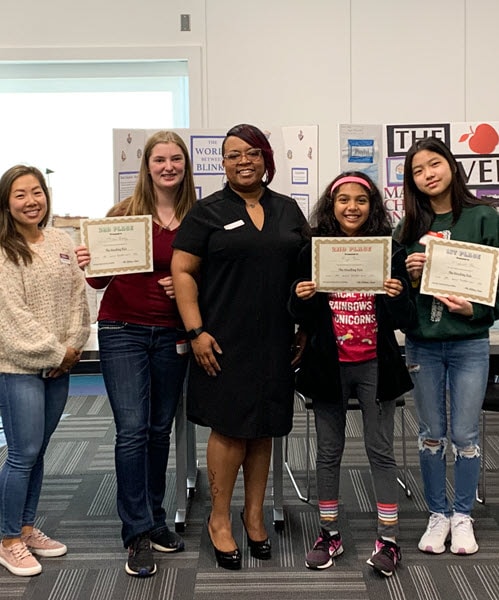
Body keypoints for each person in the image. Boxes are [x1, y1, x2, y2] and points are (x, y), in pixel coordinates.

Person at [171, 123, 308, 570]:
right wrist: (195, 332)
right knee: (229, 429)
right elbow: (184, 272)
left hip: (275, 340)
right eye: (232, 155)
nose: (242, 160)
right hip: (221, 340)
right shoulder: (207, 212)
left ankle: (253, 515)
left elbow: (306, 275)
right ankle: (218, 519)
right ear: (222, 163)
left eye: (251, 153)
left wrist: (304, 327)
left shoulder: (288, 210)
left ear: (266, 158)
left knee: (263, 427)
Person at [75, 130, 196, 577]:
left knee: (159, 429)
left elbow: (212, 276)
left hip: (172, 333)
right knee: (132, 430)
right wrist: (90, 262)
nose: (168, 167)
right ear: (147, 166)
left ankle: (156, 519)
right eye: (160, 159)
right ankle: (137, 533)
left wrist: (184, 283)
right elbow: (98, 283)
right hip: (122, 329)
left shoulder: (197, 218)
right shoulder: (123, 215)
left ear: (185, 166)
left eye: (175, 160)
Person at [289, 171, 415, 577]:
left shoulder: (388, 251)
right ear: (331, 205)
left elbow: (406, 318)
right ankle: (328, 534)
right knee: (328, 452)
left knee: (380, 451)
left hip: (376, 364)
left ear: (373, 206)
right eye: (343, 200)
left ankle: (388, 539)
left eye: (360, 200)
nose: (352, 207)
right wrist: (300, 296)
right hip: (329, 365)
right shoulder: (313, 250)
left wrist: (398, 295)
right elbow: (296, 313)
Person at [395, 136, 499, 556]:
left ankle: (462, 515)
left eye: (434, 164)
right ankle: (437, 515)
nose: (427, 175)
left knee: (466, 433)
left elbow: (495, 286)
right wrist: (411, 274)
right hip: (423, 344)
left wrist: (473, 309)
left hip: (470, 343)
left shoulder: (483, 217)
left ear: (452, 166)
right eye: (418, 171)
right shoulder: (407, 228)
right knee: (431, 434)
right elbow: (397, 297)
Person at [0, 165, 90, 577]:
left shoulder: (60, 239)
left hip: (59, 364)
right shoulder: (3, 248)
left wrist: (72, 346)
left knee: (37, 452)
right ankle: (7, 538)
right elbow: (10, 317)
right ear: (6, 202)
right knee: (22, 454)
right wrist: (56, 352)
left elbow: (77, 296)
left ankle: (26, 525)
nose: (31, 200)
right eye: (20, 194)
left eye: (36, 192)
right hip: (17, 365)